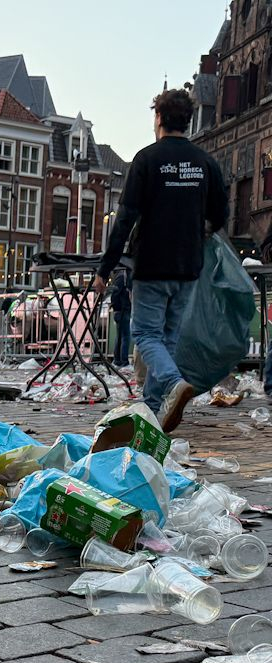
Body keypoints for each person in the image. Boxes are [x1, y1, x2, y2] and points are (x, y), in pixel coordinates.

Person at [94, 88, 228, 431]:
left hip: (153, 262)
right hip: (188, 266)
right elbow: (221, 215)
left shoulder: (147, 160)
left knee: (144, 332)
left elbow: (125, 219)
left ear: (158, 118)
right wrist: (198, 232)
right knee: (167, 338)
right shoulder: (206, 163)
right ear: (189, 119)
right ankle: (153, 412)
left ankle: (172, 382)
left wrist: (105, 269)